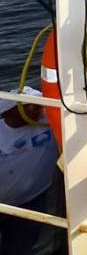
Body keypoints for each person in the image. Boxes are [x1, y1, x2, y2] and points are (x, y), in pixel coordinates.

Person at [0, 86, 67, 255]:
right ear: (8, 113)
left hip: (38, 198)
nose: (39, 108)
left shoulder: (50, 118)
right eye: (31, 105)